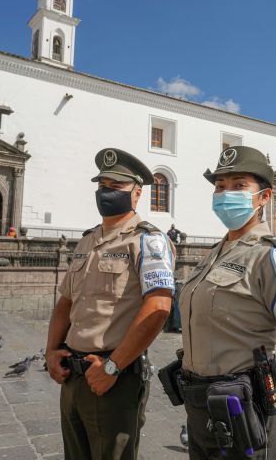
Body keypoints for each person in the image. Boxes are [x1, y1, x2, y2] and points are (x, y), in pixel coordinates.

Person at [176, 146, 276, 459]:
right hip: (203, 413)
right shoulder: (214, 255)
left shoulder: (274, 257)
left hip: (248, 417)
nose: (225, 193)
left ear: (264, 198)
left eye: (239, 185)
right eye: (220, 186)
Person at [44, 148, 175, 460]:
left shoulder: (147, 241)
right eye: (102, 185)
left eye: (116, 187)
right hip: (72, 375)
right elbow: (65, 302)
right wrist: (50, 350)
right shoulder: (87, 241)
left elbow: (158, 307)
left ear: (137, 193)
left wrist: (114, 366)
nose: (106, 192)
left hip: (112, 375)